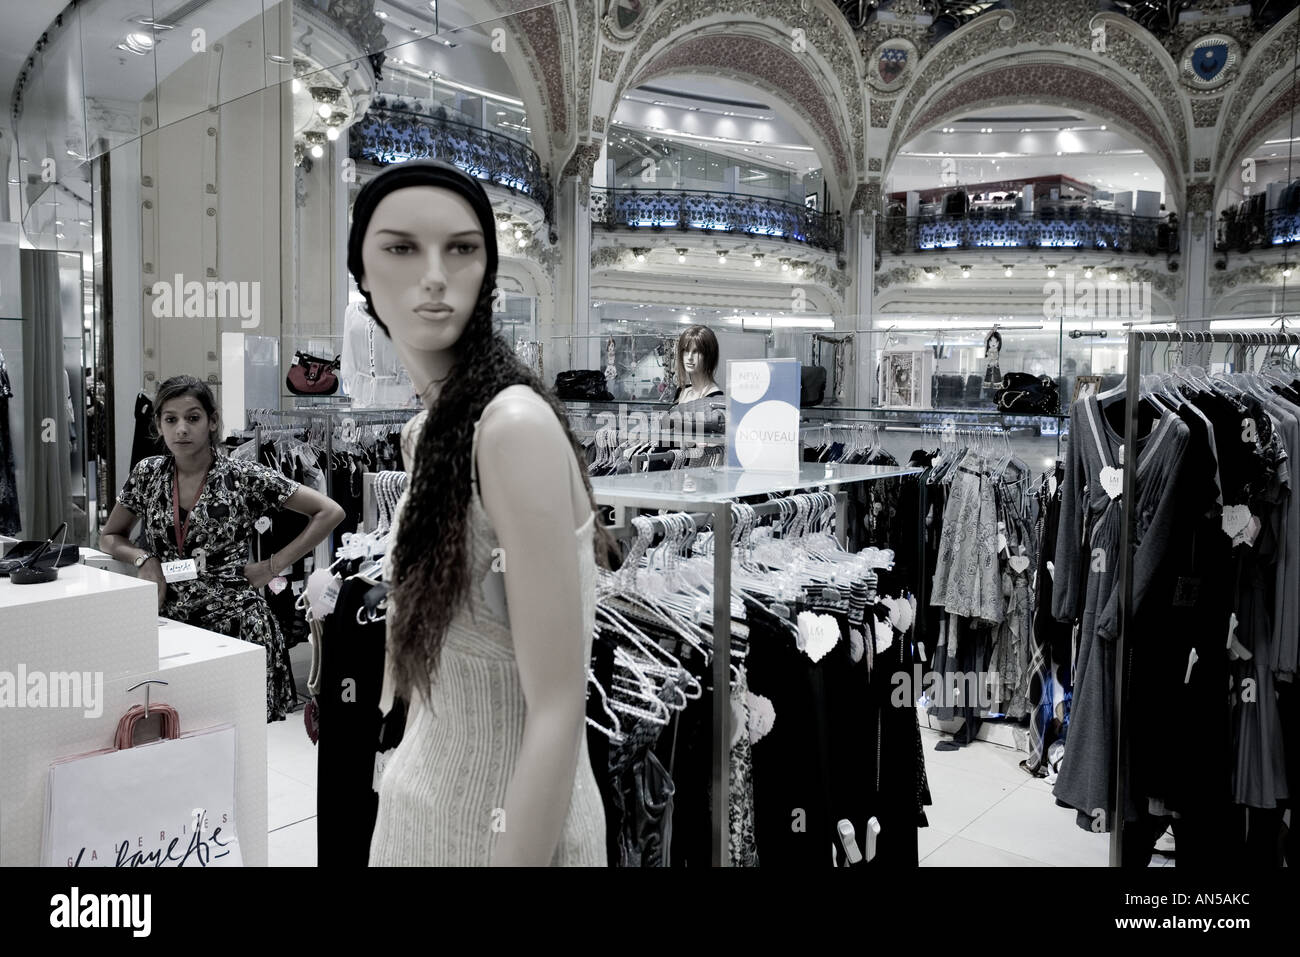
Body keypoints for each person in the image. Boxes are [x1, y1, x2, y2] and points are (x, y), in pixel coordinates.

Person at [348, 159, 609, 867]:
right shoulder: (432, 431)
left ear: (488, 271)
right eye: (401, 248)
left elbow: (557, 707)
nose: (434, 274)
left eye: (461, 248)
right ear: (362, 275)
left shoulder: (511, 427)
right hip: (425, 815)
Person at [100, 376, 345, 721]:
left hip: (236, 624)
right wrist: (145, 558)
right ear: (158, 424)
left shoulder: (244, 476)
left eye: (193, 418)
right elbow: (110, 536)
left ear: (212, 421)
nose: (181, 429)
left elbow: (330, 512)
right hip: (168, 621)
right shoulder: (147, 474)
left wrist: (272, 565)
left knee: (238, 748)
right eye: (170, 419)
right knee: (173, 732)